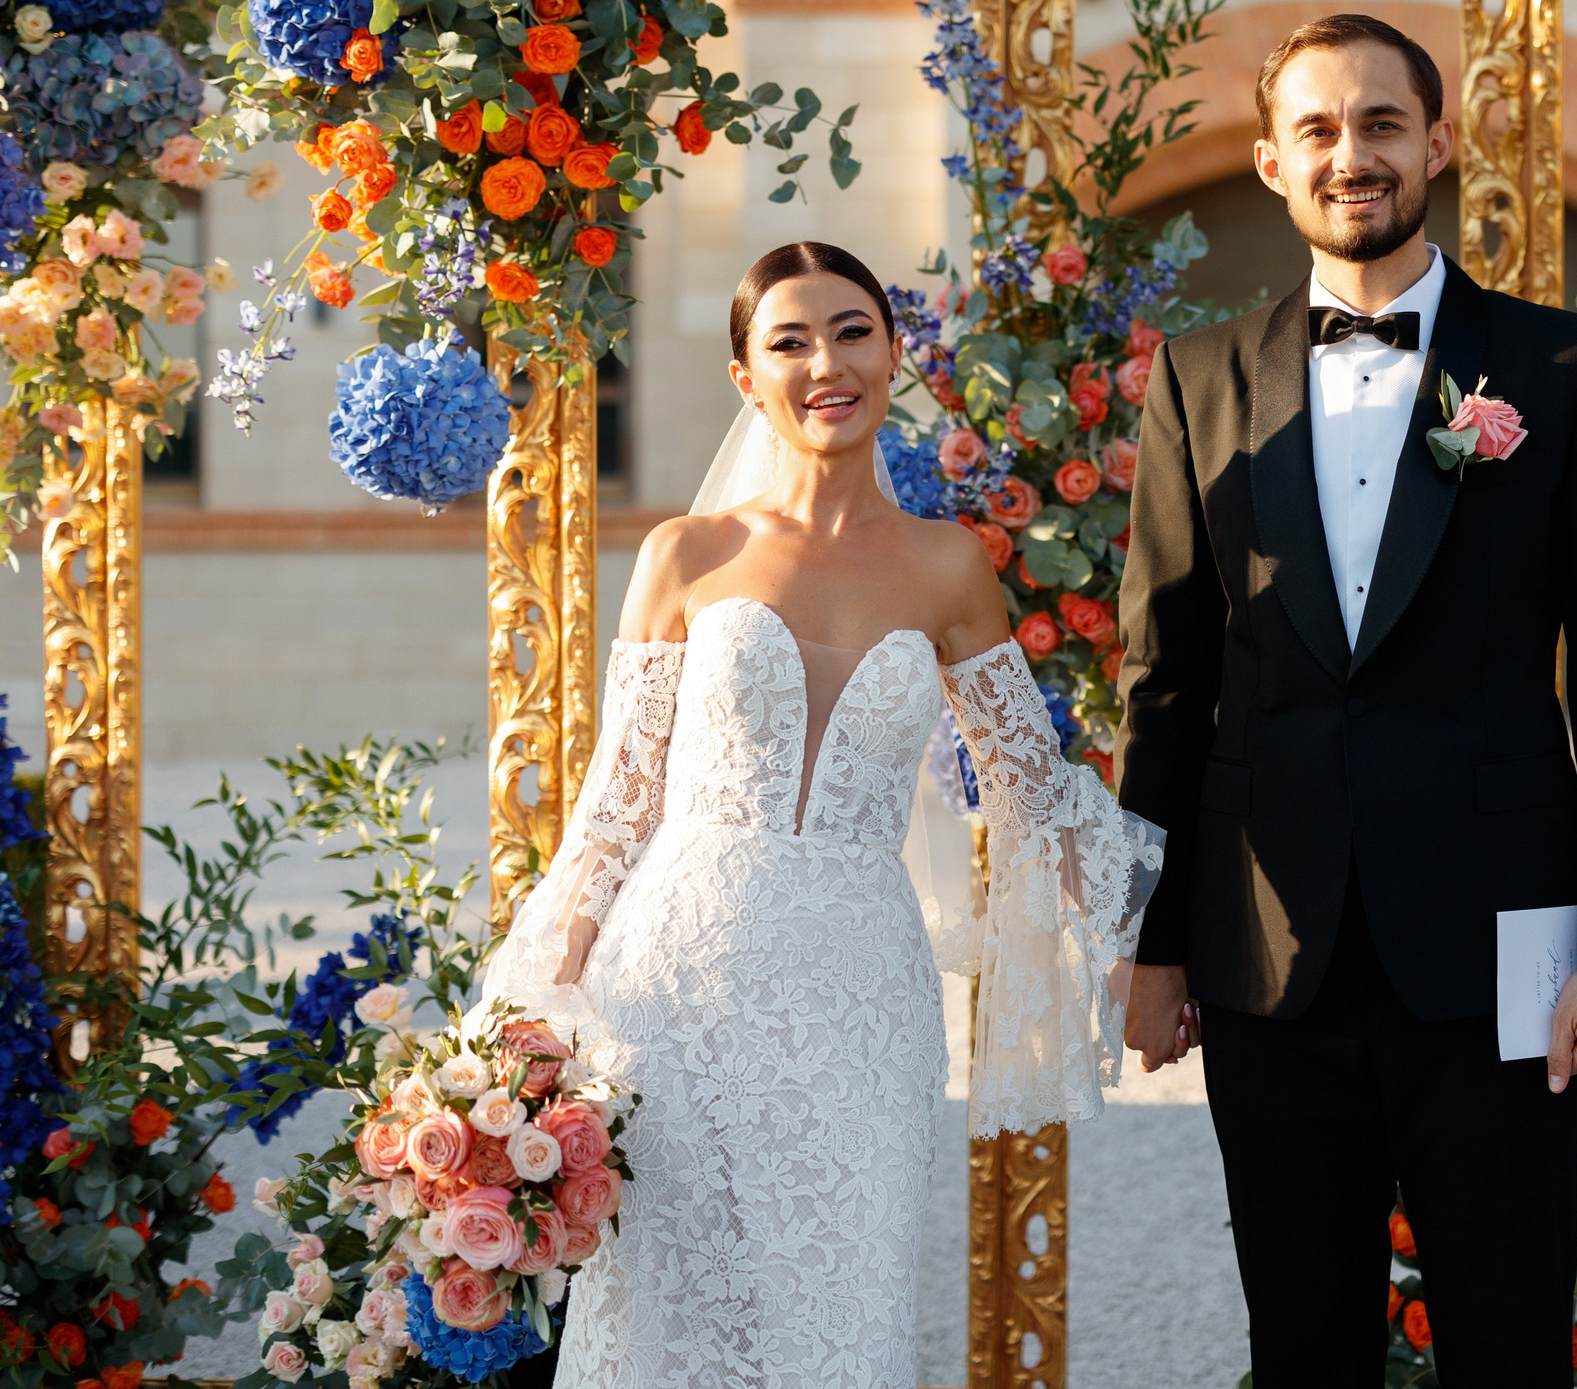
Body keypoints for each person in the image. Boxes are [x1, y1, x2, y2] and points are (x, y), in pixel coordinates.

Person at [475, 241, 1162, 1389]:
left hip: (860, 997)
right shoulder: (686, 554)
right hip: (676, 990)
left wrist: (1157, 945)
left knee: (844, 1311)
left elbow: (1032, 790)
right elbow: (615, 802)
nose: (824, 362)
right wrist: (526, 1006)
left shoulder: (949, 566)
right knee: (665, 1321)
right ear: (747, 376)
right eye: (787, 340)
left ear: (893, 354)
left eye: (850, 330)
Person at [1113, 14, 1577, 1385]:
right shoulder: (1196, 377)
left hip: (1506, 950)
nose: (1349, 154)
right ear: (1268, 161)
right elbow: (1166, 676)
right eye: (1317, 129)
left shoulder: (1566, 370)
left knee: (1510, 1334)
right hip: (1268, 949)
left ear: (1437, 141)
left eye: (1378, 123)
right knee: (1303, 1344)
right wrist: (1153, 940)